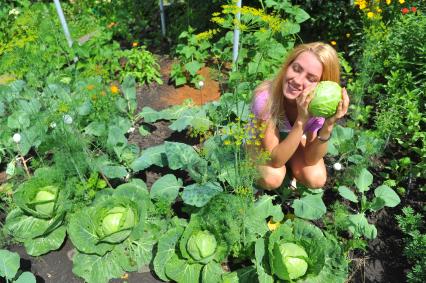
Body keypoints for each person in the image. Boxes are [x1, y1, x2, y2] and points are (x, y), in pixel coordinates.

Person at [250, 42, 350, 190]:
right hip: (258, 141)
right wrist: (301, 121)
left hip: (292, 139)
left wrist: (328, 125)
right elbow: (275, 160)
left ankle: (290, 168)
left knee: (316, 178)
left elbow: (311, 159)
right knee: (272, 177)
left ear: (322, 85)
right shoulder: (266, 99)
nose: (297, 81)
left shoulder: (317, 103)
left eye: (311, 78)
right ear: (287, 66)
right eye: (296, 69)